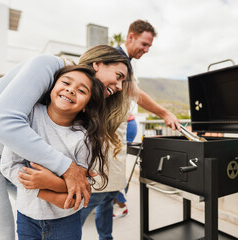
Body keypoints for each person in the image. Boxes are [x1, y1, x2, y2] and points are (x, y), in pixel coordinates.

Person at [0, 45, 134, 240]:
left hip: (18, 159)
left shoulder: (79, 127)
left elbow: (81, 184)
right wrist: (67, 169)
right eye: (118, 76)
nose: (118, 86)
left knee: (48, 211)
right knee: (2, 234)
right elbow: (2, 121)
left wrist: (59, 186)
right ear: (97, 64)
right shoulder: (48, 65)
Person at [79, 20, 181, 239]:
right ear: (130, 37)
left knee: (107, 197)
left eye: (149, 47)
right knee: (94, 197)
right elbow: (136, 93)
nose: (146, 50)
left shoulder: (125, 63)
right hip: (103, 137)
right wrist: (164, 113)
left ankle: (106, 237)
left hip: (113, 140)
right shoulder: (116, 59)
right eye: (144, 44)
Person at [0, 65, 109, 240]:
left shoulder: (83, 136)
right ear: (51, 89)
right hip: (27, 216)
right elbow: (8, 167)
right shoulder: (29, 116)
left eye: (81, 90)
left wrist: (52, 182)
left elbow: (84, 185)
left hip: (66, 220)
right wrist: (48, 192)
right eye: (66, 82)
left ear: (86, 106)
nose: (71, 89)